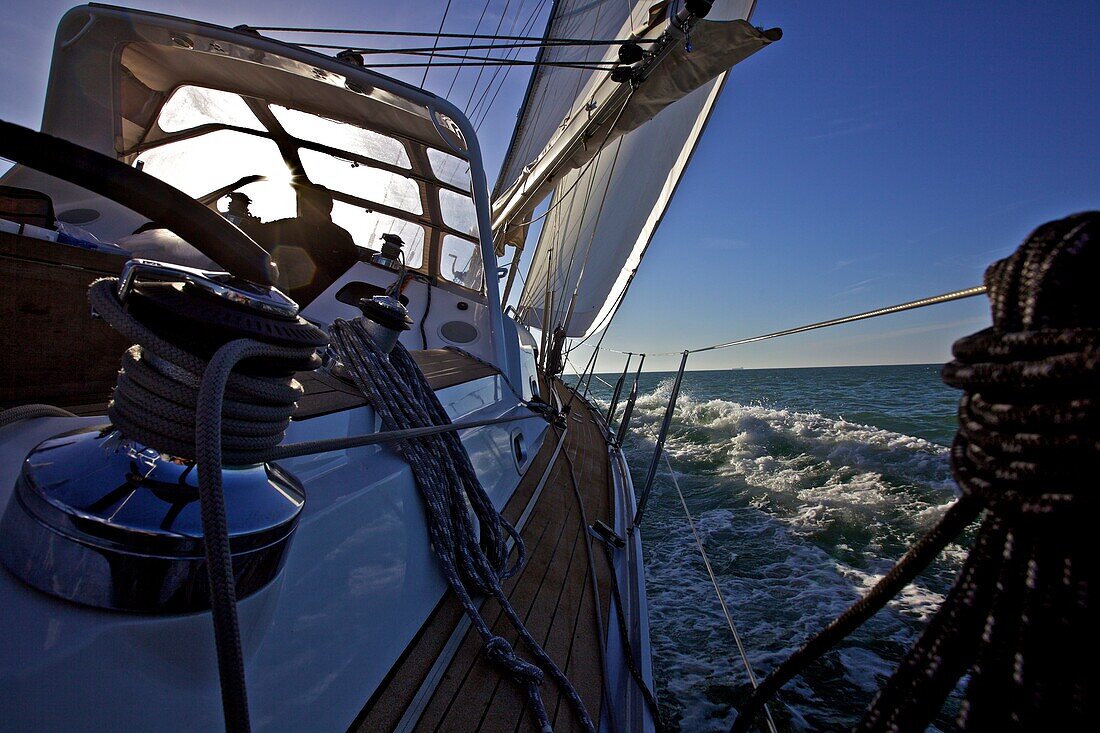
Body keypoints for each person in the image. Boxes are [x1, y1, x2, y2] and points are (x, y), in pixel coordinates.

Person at [253, 184, 360, 306]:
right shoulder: (284, 227)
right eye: (304, 205)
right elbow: (255, 237)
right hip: (279, 301)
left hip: (323, 304)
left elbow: (352, 274)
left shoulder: (342, 238)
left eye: (312, 206)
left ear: (327, 209)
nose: (306, 210)